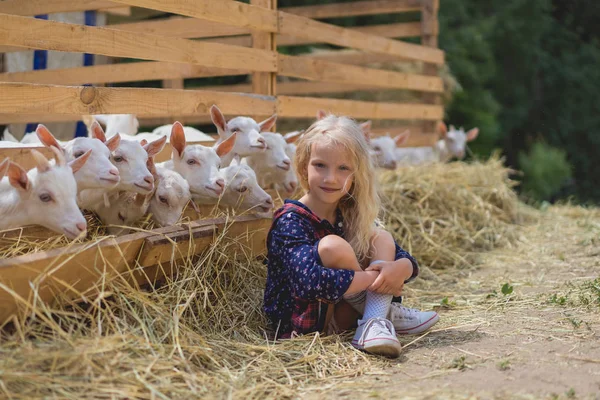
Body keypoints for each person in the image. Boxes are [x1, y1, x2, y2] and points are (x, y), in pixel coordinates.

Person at [263, 114, 439, 358]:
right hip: (305, 324)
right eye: (320, 165)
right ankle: (381, 313)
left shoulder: (348, 213)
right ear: (304, 166)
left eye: (343, 168)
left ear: (357, 174)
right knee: (333, 246)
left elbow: (401, 256)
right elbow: (310, 281)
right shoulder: (290, 220)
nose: (330, 178)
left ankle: (374, 321)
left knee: (380, 237)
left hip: (342, 312)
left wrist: (402, 268)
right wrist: (375, 279)